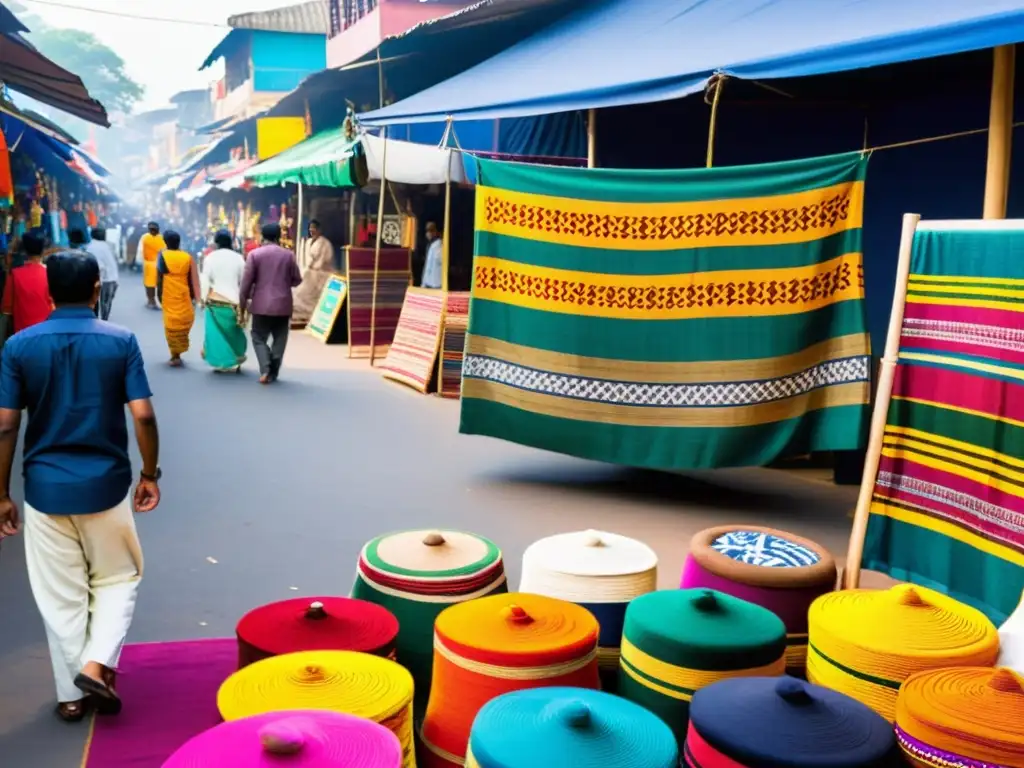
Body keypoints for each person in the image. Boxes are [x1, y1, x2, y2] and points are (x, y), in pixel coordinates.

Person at [0, 253, 160, 722]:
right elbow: (144, 414)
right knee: (118, 578)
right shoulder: (120, 341)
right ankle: (96, 663)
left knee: (61, 595)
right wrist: (150, 473)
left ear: (49, 292)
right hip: (106, 484)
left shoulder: (18, 346)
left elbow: (6, 427)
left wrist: (2, 494)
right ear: (96, 288)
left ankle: (71, 696)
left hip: (44, 488)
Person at [239, 223, 302, 384]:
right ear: (278, 237)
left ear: (262, 237)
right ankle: (273, 366)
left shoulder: (254, 255)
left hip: (261, 304)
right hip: (283, 304)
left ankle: (266, 368)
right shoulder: (288, 255)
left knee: (258, 336)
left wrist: (243, 303)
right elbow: (297, 279)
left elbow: (246, 283)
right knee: (280, 337)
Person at [200, 230, 247, 373]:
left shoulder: (210, 258)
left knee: (216, 333)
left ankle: (222, 361)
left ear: (216, 242)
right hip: (234, 301)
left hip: (215, 301)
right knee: (234, 332)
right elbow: (244, 281)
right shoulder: (239, 258)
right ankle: (237, 357)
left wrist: (203, 299)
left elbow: (205, 281)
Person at [157, 231, 200, 367]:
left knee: (171, 325)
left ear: (165, 242)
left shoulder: (162, 256)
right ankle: (177, 353)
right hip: (183, 294)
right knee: (183, 322)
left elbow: (159, 278)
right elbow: (191, 279)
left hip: (168, 293)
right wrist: (193, 297)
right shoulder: (187, 257)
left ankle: (174, 354)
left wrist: (159, 295)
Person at [1, 234, 53, 335]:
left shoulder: (15, 274)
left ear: (24, 251)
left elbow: (7, 309)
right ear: (43, 251)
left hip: (22, 335)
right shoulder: (50, 273)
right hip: (46, 333)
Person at [291, 219, 334, 328]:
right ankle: (300, 313)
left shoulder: (325, 243)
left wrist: (308, 270)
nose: (312, 230)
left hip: (321, 274)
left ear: (319, 230)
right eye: (310, 228)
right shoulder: (308, 242)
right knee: (295, 287)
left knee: (302, 288)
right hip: (308, 273)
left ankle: (309, 313)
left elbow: (320, 262)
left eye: (314, 228)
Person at [86, 227, 119, 321]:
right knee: (106, 303)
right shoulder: (109, 245)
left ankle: (95, 320)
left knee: (94, 301)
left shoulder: (90, 247)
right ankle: (104, 322)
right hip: (111, 278)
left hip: (98, 277)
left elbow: (97, 265)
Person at [139, 222, 166, 308]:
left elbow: (140, 251)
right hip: (156, 265)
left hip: (151, 265)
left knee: (150, 285)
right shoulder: (162, 238)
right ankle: (153, 301)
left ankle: (152, 301)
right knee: (155, 284)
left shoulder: (145, 237)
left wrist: (140, 261)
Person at [422, 221, 443, 289]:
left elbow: (440, 260)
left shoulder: (438, 244)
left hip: (436, 284)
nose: (429, 233)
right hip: (429, 283)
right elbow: (427, 266)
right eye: (427, 231)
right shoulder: (431, 245)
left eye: (431, 230)